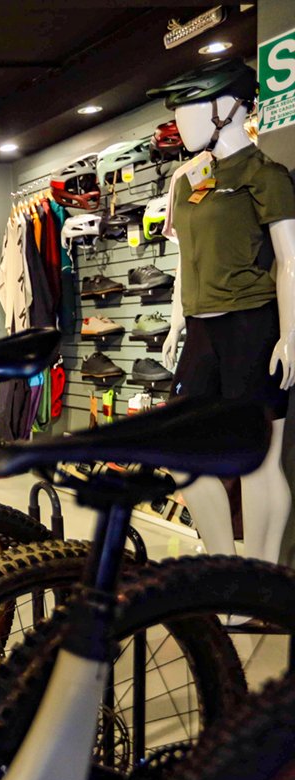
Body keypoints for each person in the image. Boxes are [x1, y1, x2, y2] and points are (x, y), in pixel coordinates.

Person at [150, 59, 295, 567]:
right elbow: (184, 256)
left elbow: (290, 261)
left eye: (193, 106)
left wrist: (290, 333)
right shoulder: (186, 180)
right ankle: (220, 564)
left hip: (253, 326)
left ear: (231, 107)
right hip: (201, 328)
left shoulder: (265, 175)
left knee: (259, 461)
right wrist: (177, 319)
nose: (181, 120)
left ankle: (259, 578)